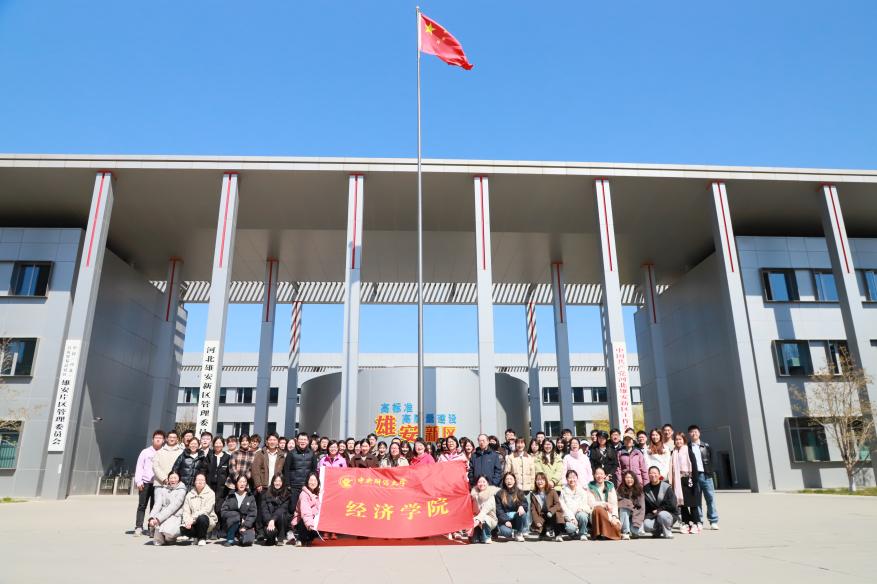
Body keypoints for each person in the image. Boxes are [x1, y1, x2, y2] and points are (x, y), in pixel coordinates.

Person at [252, 432, 286, 535]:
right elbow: (255, 470)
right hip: (263, 486)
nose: (272, 442)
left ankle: (272, 530)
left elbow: (284, 471)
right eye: (270, 440)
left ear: (277, 442)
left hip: (276, 487)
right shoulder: (260, 453)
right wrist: (258, 484)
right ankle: (260, 532)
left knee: (274, 509)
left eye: (274, 440)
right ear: (267, 441)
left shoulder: (281, 455)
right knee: (261, 509)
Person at [134, 429, 164, 536]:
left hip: (158, 483)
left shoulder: (163, 452)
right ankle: (138, 527)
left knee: (155, 506)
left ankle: (151, 528)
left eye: (160, 438)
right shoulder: (145, 452)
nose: (158, 440)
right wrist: (138, 481)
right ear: (152, 439)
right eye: (156, 438)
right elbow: (139, 467)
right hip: (145, 482)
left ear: (163, 440)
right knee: (142, 505)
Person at [688, 425, 719, 530]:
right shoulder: (687, 447)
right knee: (696, 500)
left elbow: (712, 460)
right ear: (689, 434)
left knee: (710, 499)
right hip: (694, 476)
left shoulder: (706, 446)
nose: (694, 433)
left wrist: (710, 472)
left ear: (699, 433)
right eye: (691, 432)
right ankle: (699, 521)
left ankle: (713, 521)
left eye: (695, 431)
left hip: (706, 476)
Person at [671, 432, 701, 534]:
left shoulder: (688, 450)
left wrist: (695, 480)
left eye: (680, 439)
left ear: (684, 440)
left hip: (689, 479)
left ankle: (696, 523)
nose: (678, 441)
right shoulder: (673, 452)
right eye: (676, 439)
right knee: (682, 504)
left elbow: (694, 465)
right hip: (678, 481)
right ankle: (686, 523)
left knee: (692, 503)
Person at [147, 470, 186, 546]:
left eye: (175, 478)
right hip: (162, 515)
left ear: (179, 479)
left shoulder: (182, 491)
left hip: (175, 516)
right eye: (171, 478)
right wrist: (151, 518)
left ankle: (171, 538)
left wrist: (158, 519)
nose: (173, 480)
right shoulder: (164, 489)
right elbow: (157, 505)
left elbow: (172, 508)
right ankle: (162, 536)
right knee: (158, 542)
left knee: (169, 533)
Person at [180, 473, 217, 545]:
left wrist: (192, 518)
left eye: (202, 480)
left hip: (207, 521)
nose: (200, 482)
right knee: (182, 528)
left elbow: (206, 510)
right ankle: (197, 536)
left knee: (202, 518)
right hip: (193, 522)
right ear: (195, 482)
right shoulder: (189, 494)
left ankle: (202, 538)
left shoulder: (211, 493)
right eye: (198, 480)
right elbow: (186, 511)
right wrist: (187, 521)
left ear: (205, 482)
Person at [220, 475, 257, 546]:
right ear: (236, 483)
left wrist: (245, 526)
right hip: (231, 522)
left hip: (245, 524)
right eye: (240, 482)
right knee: (235, 517)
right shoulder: (230, 495)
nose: (242, 484)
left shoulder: (250, 497)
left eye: (244, 482)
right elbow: (223, 511)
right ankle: (230, 539)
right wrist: (239, 517)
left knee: (247, 541)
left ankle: (240, 536)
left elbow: (252, 514)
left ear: (246, 484)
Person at [283, 432, 318, 509]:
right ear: (297, 441)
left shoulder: (312, 454)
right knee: (293, 507)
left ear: (308, 441)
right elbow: (286, 469)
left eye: (304, 439)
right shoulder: (291, 453)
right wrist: (288, 485)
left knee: (306, 507)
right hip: (294, 486)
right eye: (301, 439)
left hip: (307, 486)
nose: (302, 441)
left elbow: (314, 471)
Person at [586, 467, 621, 540]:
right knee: (598, 509)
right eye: (597, 474)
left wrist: (614, 517)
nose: (599, 476)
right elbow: (591, 503)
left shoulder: (610, 485)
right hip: (595, 513)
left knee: (617, 526)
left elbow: (614, 503)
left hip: (609, 513)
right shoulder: (590, 486)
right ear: (594, 475)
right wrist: (604, 504)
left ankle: (606, 533)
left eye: (601, 474)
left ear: (605, 475)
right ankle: (600, 533)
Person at [642, 466, 677, 539]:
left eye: (655, 473)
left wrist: (659, 510)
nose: (653, 475)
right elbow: (645, 506)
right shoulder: (645, 489)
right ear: (648, 475)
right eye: (651, 473)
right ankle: (657, 531)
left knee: (662, 514)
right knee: (646, 525)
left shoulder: (666, 487)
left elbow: (672, 504)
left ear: (659, 475)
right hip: (653, 516)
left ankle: (667, 531)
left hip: (668, 514)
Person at [206, 436, 231, 537]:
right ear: (213, 444)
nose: (218, 445)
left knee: (219, 508)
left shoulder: (227, 457)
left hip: (222, 487)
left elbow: (229, 472)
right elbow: (204, 469)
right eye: (216, 443)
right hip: (210, 485)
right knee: (210, 506)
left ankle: (217, 529)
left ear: (223, 445)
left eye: (220, 443)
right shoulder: (209, 456)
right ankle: (209, 529)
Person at [529, 472, 564, 541]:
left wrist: (551, 511)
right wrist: (537, 521)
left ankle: (558, 534)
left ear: (546, 481)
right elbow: (533, 510)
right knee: (539, 520)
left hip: (551, 514)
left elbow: (557, 504)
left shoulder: (552, 491)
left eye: (542, 480)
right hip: (541, 515)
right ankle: (543, 533)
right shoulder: (533, 494)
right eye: (538, 480)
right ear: (535, 481)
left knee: (555, 514)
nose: (540, 482)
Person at [494, 472, 528, 541]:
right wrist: (505, 521)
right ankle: (504, 531)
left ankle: (518, 533)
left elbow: (525, 505)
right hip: (505, 519)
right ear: (504, 481)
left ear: (514, 481)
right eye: (507, 479)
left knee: (523, 513)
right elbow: (499, 510)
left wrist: (521, 506)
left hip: (517, 519)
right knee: (507, 533)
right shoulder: (499, 493)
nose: (509, 481)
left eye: (511, 479)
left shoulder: (519, 492)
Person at [560, 469, 591, 540]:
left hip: (579, 513)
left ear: (577, 478)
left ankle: (583, 533)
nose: (572, 480)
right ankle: (573, 534)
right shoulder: (563, 491)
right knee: (570, 528)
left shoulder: (582, 490)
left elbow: (585, 503)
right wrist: (572, 518)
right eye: (569, 478)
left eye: (574, 477)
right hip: (569, 516)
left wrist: (581, 508)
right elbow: (564, 508)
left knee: (583, 516)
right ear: (566, 479)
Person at [261, 474, 291, 546]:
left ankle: (280, 538)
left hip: (281, 521)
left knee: (282, 515)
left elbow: (282, 509)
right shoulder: (266, 493)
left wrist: (273, 519)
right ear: (272, 482)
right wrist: (269, 521)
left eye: (280, 481)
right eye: (275, 481)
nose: (277, 483)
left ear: (283, 482)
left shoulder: (287, 494)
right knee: (269, 536)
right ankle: (271, 538)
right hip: (269, 521)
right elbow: (264, 510)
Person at [292, 472, 321, 547]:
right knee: (305, 523)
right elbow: (305, 512)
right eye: (311, 480)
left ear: (318, 482)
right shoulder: (304, 494)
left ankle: (307, 538)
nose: (313, 482)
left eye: (315, 480)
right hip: (302, 521)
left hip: (312, 519)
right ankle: (299, 538)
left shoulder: (318, 493)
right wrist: (310, 525)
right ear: (307, 481)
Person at [616, 470, 645, 540]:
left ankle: (633, 529)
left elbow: (641, 508)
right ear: (624, 479)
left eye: (631, 478)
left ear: (634, 479)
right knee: (624, 507)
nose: (629, 480)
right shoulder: (619, 489)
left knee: (636, 532)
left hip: (636, 516)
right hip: (623, 516)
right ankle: (626, 532)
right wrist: (628, 503)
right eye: (627, 478)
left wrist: (637, 522)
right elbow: (618, 503)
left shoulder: (639, 490)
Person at [470, 475, 498, 544]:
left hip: (489, 519)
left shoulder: (490, 495)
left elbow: (485, 511)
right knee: (473, 540)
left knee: (484, 519)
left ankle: (487, 536)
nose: (481, 484)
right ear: (477, 484)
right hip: (477, 520)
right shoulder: (474, 495)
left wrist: (477, 520)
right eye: (479, 482)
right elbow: (473, 511)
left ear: (487, 483)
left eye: (484, 482)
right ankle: (478, 534)